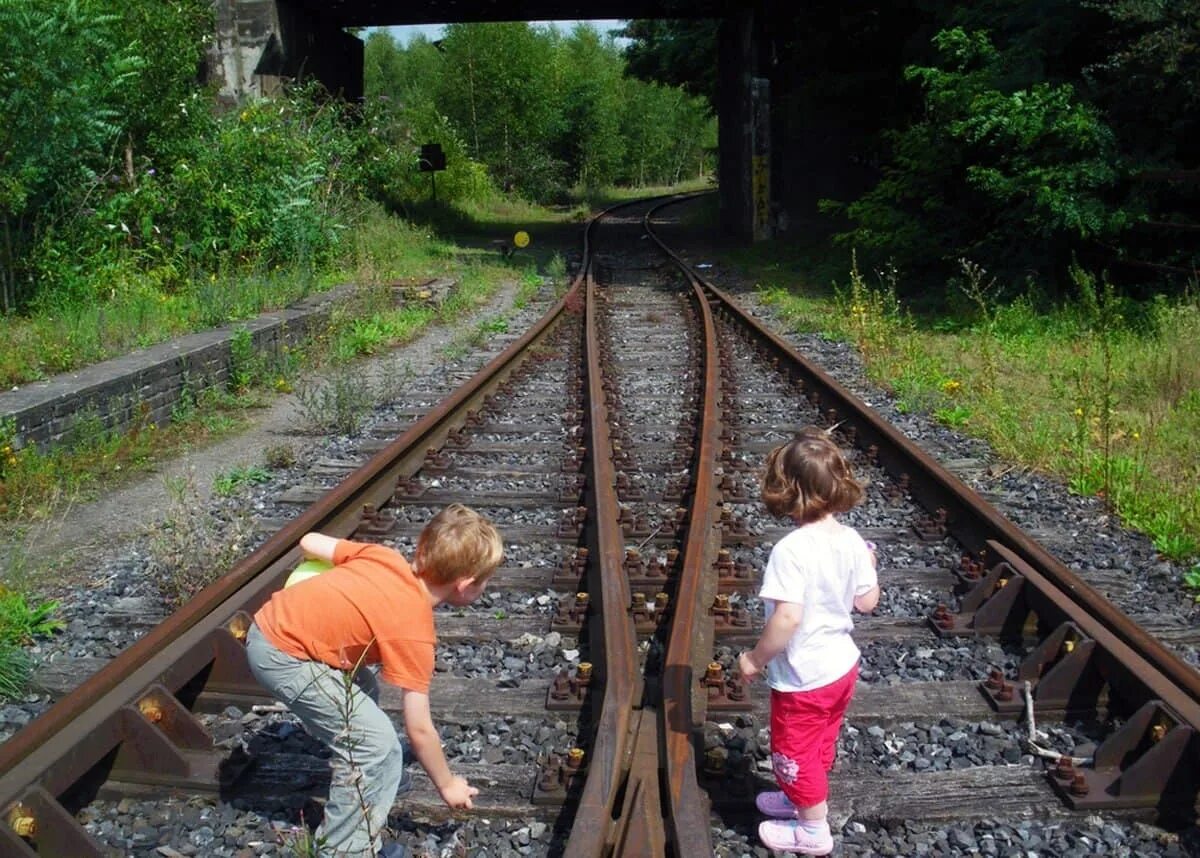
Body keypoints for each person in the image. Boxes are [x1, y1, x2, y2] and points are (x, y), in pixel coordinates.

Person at [246, 503, 504, 858]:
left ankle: (381, 780)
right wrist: (448, 785)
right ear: (465, 586)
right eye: (485, 582)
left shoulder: (383, 557)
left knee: (364, 689)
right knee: (378, 749)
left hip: (273, 624)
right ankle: (345, 850)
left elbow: (309, 541)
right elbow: (420, 729)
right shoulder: (414, 632)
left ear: (421, 550)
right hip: (283, 657)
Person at [737, 428, 880, 855]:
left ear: (786, 490)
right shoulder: (853, 540)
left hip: (804, 678)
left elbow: (787, 618)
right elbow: (867, 602)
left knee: (792, 751)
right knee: (819, 742)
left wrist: (754, 659)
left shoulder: (791, 550)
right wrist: (869, 564)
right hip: (841, 669)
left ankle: (813, 831)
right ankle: (798, 798)